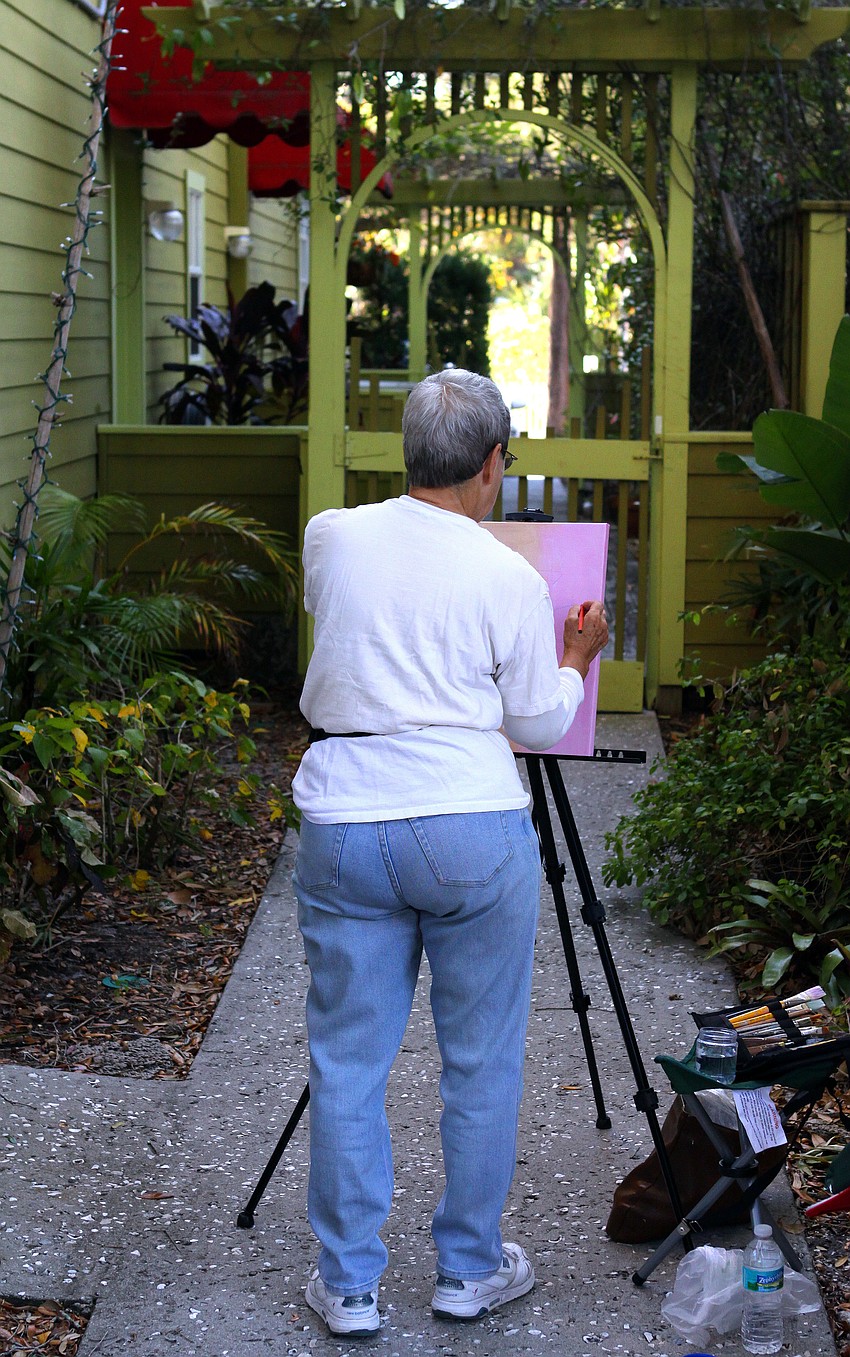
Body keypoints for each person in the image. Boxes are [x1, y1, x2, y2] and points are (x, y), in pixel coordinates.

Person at [291, 368, 608, 1337]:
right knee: (478, 1064)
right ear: (491, 464)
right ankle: (466, 1272)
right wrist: (575, 658)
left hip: (345, 823)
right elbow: (539, 719)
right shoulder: (509, 577)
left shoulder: (331, 536)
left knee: (347, 1062)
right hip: (471, 826)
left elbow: (347, 627)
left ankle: (347, 1287)